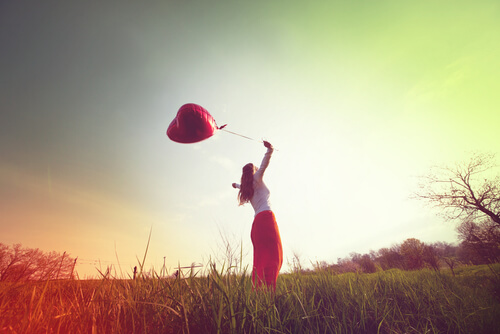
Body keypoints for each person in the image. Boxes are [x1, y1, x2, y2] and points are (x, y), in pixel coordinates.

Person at [232, 141, 283, 290]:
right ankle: (269, 291)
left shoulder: (247, 187)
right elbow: (264, 165)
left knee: (261, 259)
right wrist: (270, 149)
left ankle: (259, 291)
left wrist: (236, 185)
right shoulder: (257, 179)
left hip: (257, 225)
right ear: (253, 171)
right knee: (274, 256)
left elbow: (241, 186)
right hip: (266, 219)